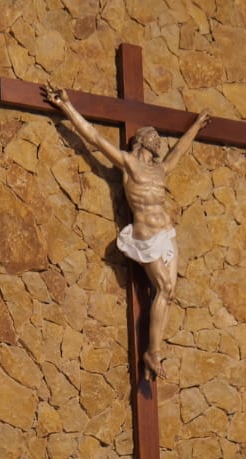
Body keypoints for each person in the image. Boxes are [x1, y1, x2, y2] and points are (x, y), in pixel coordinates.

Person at [42, 84, 211, 380]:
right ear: (143, 141)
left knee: (168, 292)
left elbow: (180, 150)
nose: (159, 144)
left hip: (167, 233)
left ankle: (153, 350)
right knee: (163, 289)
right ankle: (153, 352)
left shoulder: (161, 170)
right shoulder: (129, 164)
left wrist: (196, 126)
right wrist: (66, 106)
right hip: (146, 235)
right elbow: (94, 138)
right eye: (155, 139)